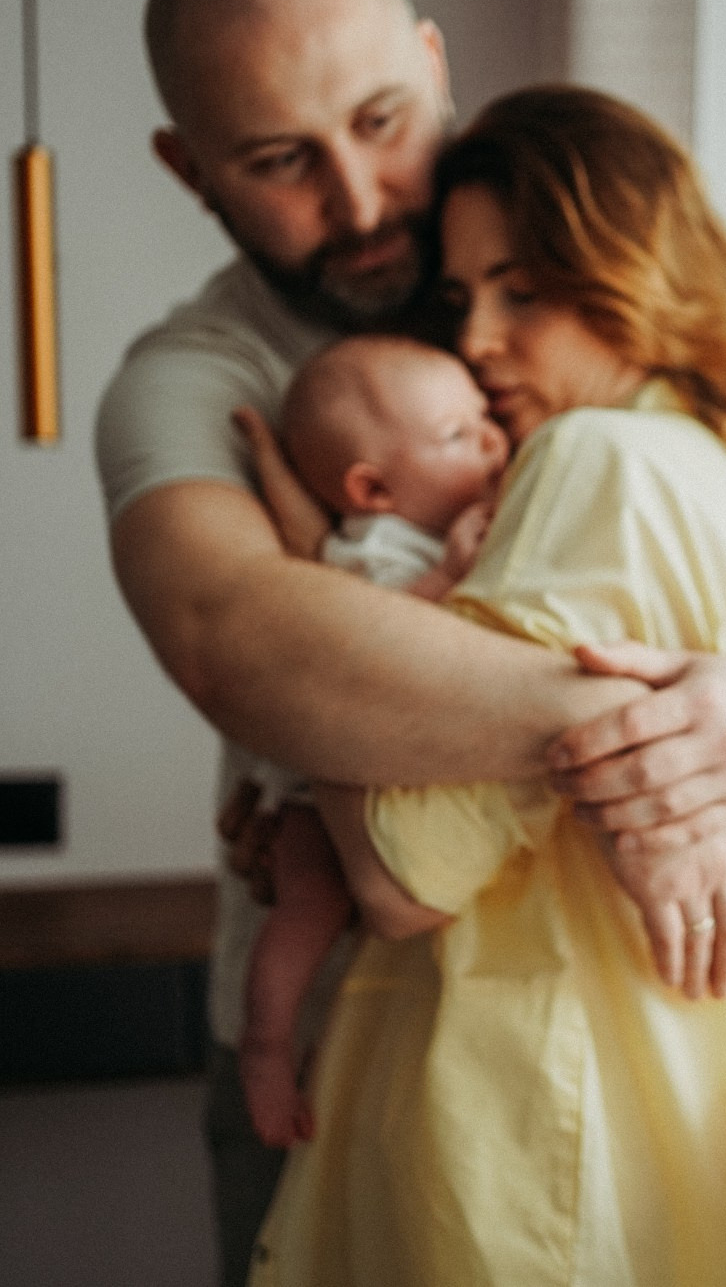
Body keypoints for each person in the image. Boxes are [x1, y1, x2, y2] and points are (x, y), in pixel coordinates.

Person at [95, 0, 726, 1282]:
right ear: (190, 168)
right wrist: (647, 744)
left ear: (432, 61)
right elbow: (240, 638)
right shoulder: (191, 379)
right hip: (328, 1013)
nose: (357, 198)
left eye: (378, 119)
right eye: (282, 160)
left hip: (557, 1041)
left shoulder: (589, 327)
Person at [224, 334, 507, 1148]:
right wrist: (449, 580)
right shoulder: (385, 552)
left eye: (485, 420)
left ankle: (322, 1057)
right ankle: (267, 1046)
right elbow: (378, 640)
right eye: (459, 436)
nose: (491, 442)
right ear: (375, 488)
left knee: (363, 957)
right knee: (310, 908)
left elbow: (301, 530)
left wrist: (270, 459)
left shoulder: (394, 529)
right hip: (318, 789)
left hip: (384, 778)